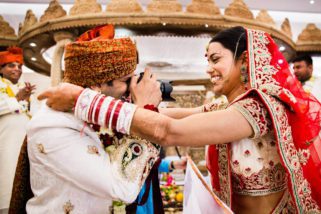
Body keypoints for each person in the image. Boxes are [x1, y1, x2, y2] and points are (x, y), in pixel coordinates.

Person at [39, 26, 321, 213]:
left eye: (215, 59)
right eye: (206, 60)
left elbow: (168, 132)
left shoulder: (258, 110)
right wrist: (135, 105)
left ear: (244, 61)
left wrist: (83, 101)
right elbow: (166, 116)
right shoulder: (229, 106)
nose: (208, 68)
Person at [26, 25, 162, 213]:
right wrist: (144, 110)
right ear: (97, 84)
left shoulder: (98, 116)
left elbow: (172, 120)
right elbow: (122, 188)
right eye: (125, 80)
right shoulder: (53, 125)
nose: (131, 88)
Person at [0, 46, 35, 213]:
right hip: (5, 147)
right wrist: (17, 98)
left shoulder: (20, 87)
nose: (17, 69)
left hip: (22, 146)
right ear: (1, 68)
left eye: (19, 66)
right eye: (11, 65)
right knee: (6, 184)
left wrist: (26, 101)